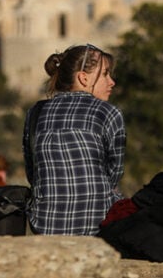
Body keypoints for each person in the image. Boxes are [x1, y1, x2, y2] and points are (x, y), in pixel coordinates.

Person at [23, 43, 126, 235]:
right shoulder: (109, 113)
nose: (111, 81)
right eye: (105, 74)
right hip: (97, 224)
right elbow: (115, 172)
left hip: (45, 225)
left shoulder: (35, 113)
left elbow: (32, 172)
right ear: (83, 78)